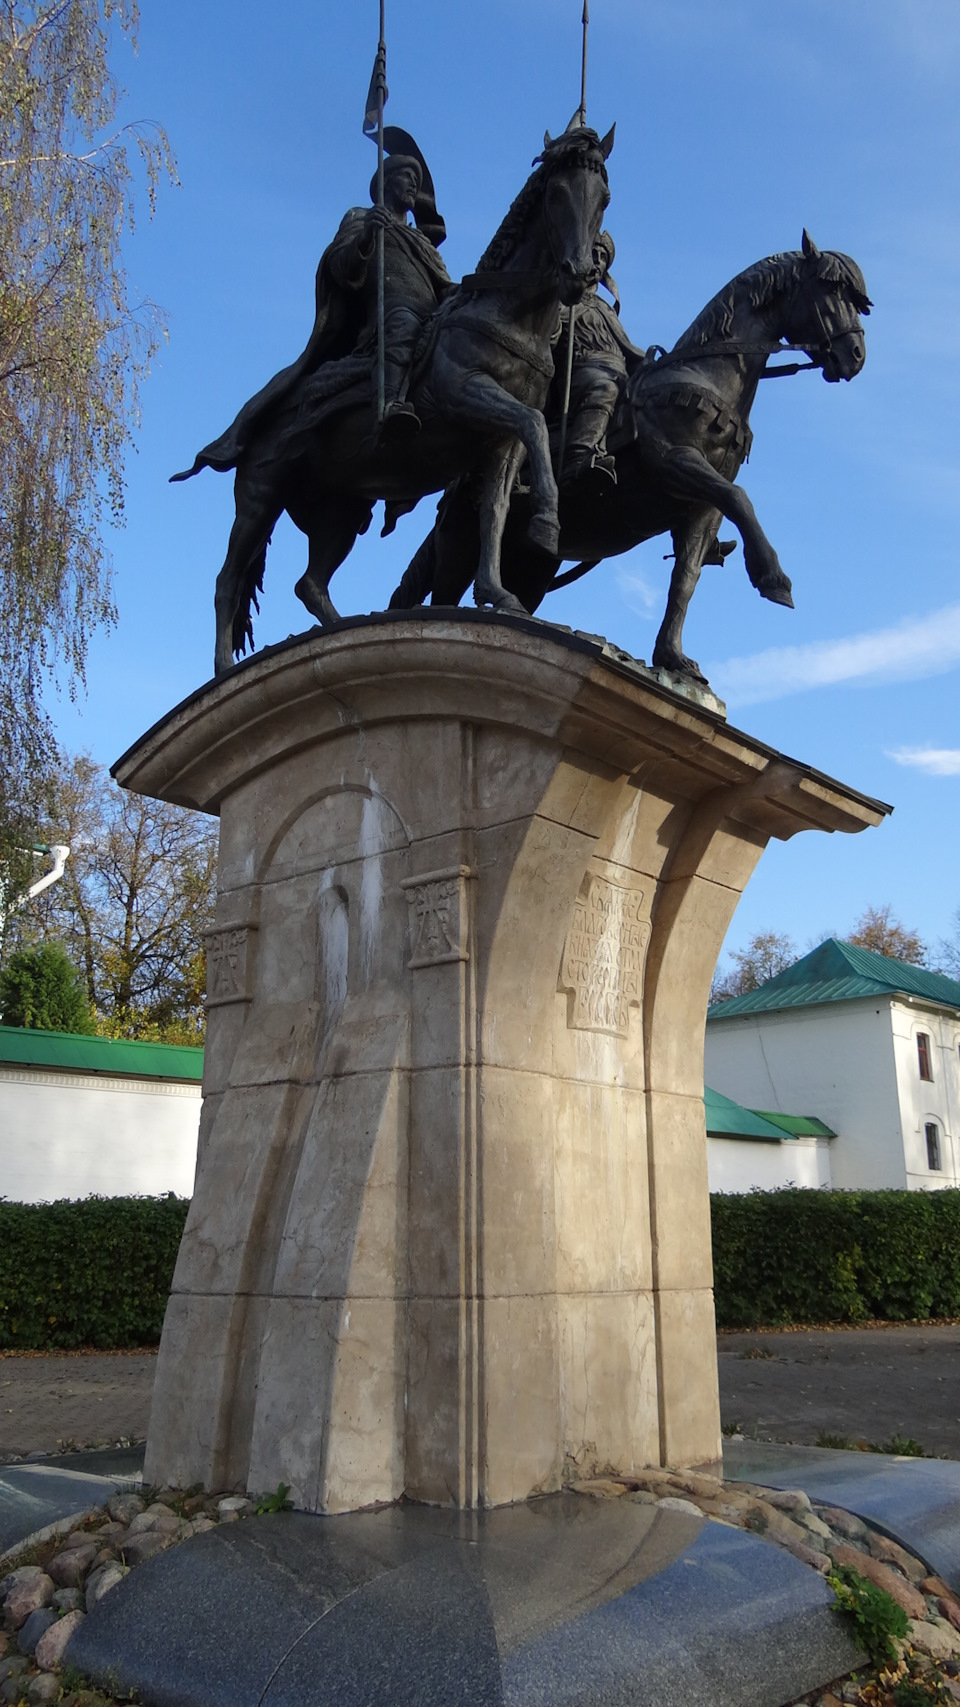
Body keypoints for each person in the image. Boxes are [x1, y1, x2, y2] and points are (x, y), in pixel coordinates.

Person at [172, 132, 451, 481]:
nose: (412, 186)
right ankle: (391, 405)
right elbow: (339, 266)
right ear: (386, 184)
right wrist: (366, 237)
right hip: (389, 317)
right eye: (406, 179)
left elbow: (444, 283)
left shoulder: (421, 242)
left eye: (415, 181)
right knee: (402, 326)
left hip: (430, 314)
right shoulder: (363, 219)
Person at [555, 231, 644, 485]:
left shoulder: (605, 308)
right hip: (580, 371)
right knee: (604, 387)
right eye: (592, 254)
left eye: (602, 257)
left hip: (618, 371)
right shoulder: (561, 300)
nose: (596, 260)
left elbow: (628, 348)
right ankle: (579, 457)